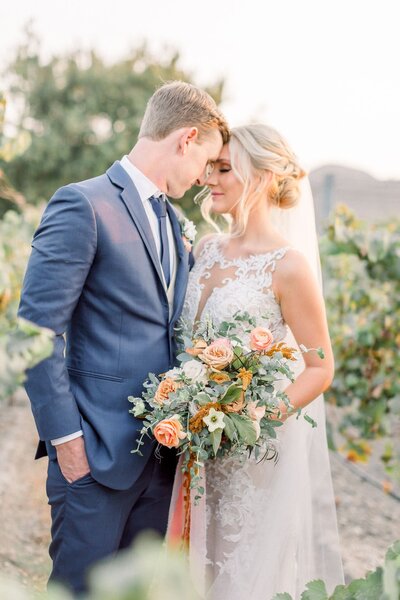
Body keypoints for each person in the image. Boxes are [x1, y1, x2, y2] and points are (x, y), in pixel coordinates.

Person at [18, 81, 229, 595]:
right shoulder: (83, 204)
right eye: (208, 160)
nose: (205, 176)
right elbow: (34, 333)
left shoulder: (176, 223)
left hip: (160, 461)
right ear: (186, 138)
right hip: (92, 460)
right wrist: (68, 444)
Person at [175, 123, 344, 599]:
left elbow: (319, 367)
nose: (210, 179)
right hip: (186, 445)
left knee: (235, 574)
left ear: (264, 176)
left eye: (224, 168)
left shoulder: (288, 266)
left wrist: (254, 416)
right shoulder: (204, 250)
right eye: (210, 168)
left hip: (247, 456)